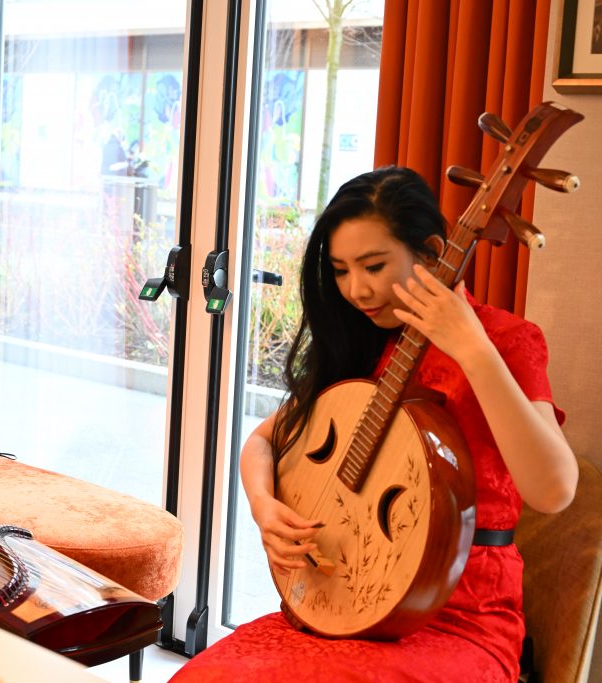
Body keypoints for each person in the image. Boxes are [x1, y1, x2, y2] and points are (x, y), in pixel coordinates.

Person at [171, 167, 578, 682]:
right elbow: (263, 442)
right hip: (341, 601)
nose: (356, 290)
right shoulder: (363, 343)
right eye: (340, 270)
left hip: (458, 619)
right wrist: (264, 508)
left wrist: (473, 350)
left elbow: (555, 489)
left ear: (431, 252)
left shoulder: (506, 340)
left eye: (373, 265)